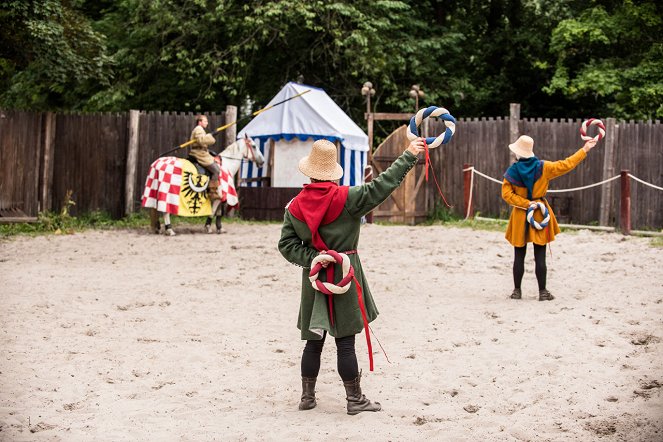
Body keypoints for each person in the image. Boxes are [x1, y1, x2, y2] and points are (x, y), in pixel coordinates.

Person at [278, 137, 425, 415]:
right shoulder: (348, 198)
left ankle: (307, 398)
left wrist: (314, 259)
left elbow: (286, 246)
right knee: (345, 342)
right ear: (333, 171)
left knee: (313, 342)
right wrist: (408, 155)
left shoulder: (294, 206)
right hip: (345, 275)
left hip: (315, 278)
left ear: (309, 171)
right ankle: (355, 400)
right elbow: (383, 185)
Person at [502, 135, 598, 301]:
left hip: (519, 215)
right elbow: (567, 164)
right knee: (540, 255)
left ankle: (517, 291)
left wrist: (525, 203)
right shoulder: (544, 167)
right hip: (540, 214)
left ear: (518, 153)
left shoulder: (512, 171)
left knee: (519, 255)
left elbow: (506, 195)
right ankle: (543, 292)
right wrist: (585, 149)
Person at [189, 115, 221, 200]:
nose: (207, 123)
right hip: (199, 154)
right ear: (200, 122)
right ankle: (212, 192)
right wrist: (211, 135)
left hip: (203, 152)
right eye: (205, 121)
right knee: (216, 170)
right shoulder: (198, 129)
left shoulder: (200, 130)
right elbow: (201, 141)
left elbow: (202, 142)